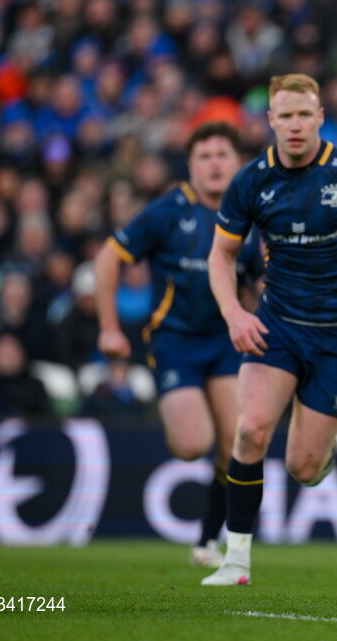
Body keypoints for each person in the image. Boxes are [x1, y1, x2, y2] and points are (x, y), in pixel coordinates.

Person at [202, 73, 337, 586]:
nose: (295, 125)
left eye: (305, 115)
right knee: (251, 429)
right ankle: (235, 561)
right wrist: (235, 313)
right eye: (286, 116)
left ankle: (324, 441)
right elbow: (221, 255)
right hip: (276, 325)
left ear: (320, 117)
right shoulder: (251, 181)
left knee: (303, 467)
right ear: (271, 120)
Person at [95, 121, 262, 568]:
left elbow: (262, 279)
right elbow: (107, 258)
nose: (213, 164)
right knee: (192, 445)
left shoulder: (250, 216)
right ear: (190, 165)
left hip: (227, 340)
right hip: (175, 343)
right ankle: (208, 532)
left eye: (221, 155)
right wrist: (109, 327)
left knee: (236, 442)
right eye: (204, 156)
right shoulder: (167, 211)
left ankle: (206, 542)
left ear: (237, 163)